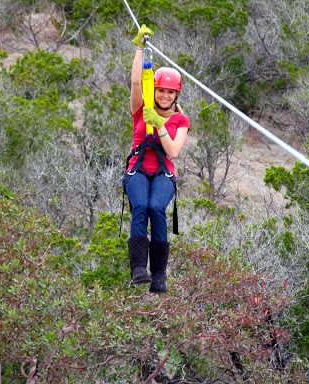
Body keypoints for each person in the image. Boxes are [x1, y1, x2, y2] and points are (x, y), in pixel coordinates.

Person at [123, 25, 190, 293]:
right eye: (161, 91)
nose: (164, 96)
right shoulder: (141, 108)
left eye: (170, 93)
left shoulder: (180, 120)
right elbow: (137, 82)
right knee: (140, 206)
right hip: (137, 170)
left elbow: (173, 152)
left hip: (163, 173)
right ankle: (139, 269)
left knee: (156, 209)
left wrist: (160, 126)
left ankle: (159, 275)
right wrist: (140, 47)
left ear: (176, 95)